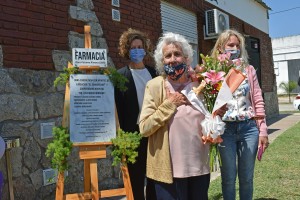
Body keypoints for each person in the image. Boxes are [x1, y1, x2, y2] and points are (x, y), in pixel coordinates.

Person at [139, 32, 211, 200]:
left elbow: (211, 117)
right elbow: (144, 127)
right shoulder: (155, 86)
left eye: (177, 54)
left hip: (199, 166)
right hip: (168, 171)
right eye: (168, 56)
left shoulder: (200, 84)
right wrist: (169, 104)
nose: (172, 59)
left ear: (186, 58)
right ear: (162, 61)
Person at [211, 29, 269, 200]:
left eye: (237, 45)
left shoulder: (248, 69)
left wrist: (263, 130)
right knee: (228, 178)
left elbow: (257, 100)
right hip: (225, 130)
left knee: (246, 178)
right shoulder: (214, 71)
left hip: (249, 129)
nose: (234, 48)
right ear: (221, 47)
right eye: (230, 45)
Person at [115, 28, 157, 200]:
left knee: (154, 178)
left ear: (145, 48)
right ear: (126, 50)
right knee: (136, 181)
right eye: (133, 47)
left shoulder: (154, 74)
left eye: (140, 46)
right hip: (132, 136)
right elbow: (117, 109)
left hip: (154, 133)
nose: (137, 50)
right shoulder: (120, 76)